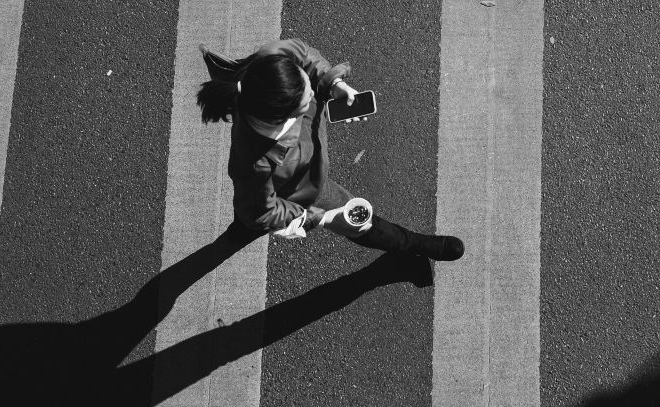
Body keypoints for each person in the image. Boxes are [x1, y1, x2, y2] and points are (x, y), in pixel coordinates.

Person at [197, 38, 464, 281]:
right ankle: (412, 244)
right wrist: (313, 216)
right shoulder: (256, 165)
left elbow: (302, 55)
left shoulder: (271, 61)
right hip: (303, 191)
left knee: (247, 222)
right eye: (306, 100)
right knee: (354, 220)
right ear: (283, 118)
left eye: (305, 84)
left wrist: (333, 83)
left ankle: (240, 232)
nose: (313, 93)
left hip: (277, 189)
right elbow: (262, 211)